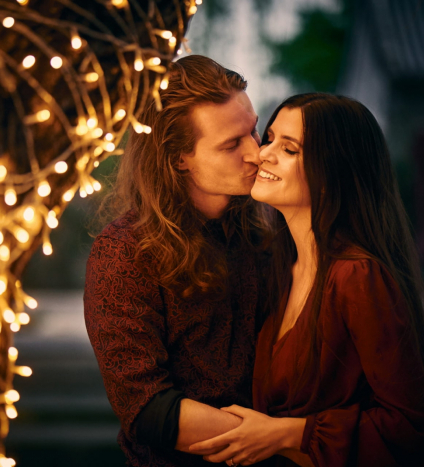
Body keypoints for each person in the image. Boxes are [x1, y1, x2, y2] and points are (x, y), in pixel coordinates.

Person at [188, 93, 424, 467]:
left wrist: (287, 433)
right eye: (271, 137)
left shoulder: (357, 276)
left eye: (289, 149)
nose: (263, 154)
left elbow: (412, 425)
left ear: (333, 172)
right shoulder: (276, 267)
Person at [83, 55, 273, 467]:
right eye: (231, 144)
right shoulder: (125, 252)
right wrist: (287, 444)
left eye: (254, 131)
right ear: (178, 157)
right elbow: (148, 409)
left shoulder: (268, 231)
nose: (256, 154)